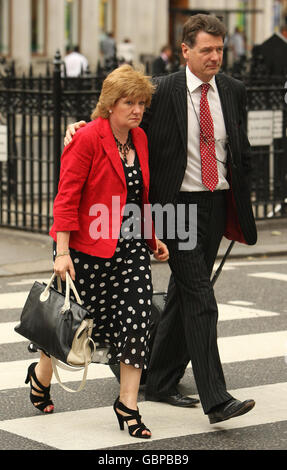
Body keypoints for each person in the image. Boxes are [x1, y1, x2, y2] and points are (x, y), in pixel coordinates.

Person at [64, 14, 257, 425]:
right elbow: (120, 120)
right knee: (202, 298)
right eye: (206, 49)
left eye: (220, 49)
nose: (215, 57)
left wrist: (241, 191)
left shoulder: (233, 90)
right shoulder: (163, 90)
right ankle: (217, 398)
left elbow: (238, 148)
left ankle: (162, 379)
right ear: (185, 50)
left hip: (218, 202)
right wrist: (81, 126)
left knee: (184, 296)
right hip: (175, 209)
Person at [24, 64, 169, 439]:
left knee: (137, 321)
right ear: (109, 104)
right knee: (70, 327)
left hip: (131, 250)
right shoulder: (87, 138)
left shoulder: (140, 140)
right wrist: (62, 252)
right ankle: (41, 376)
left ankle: (128, 405)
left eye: (141, 103)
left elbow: (140, 197)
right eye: (128, 102)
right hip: (87, 251)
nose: (136, 110)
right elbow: (66, 198)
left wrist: (152, 238)